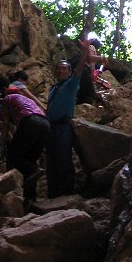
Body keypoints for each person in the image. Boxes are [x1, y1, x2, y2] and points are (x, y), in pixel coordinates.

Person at [45, 39, 93, 196]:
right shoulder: (53, 88)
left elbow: (79, 69)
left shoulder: (71, 84)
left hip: (64, 127)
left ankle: (66, 192)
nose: (60, 71)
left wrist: (85, 51)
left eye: (64, 69)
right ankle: (53, 192)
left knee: (64, 158)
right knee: (50, 160)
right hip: (51, 127)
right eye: (58, 69)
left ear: (69, 72)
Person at [0, 81, 50, 206]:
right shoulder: (28, 100)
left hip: (29, 121)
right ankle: (30, 198)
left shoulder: (7, 98)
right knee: (30, 159)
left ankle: (32, 171)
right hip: (45, 124)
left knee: (13, 156)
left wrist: (2, 145)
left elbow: (5, 124)